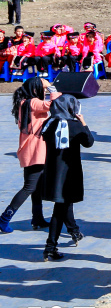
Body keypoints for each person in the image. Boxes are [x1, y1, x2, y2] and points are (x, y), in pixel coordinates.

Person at [0, 78, 59, 234]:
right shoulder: (34, 102)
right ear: (35, 89)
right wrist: (52, 87)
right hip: (36, 151)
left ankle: (37, 218)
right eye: (43, 88)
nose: (45, 91)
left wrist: (46, 86)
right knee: (29, 187)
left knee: (36, 187)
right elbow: (56, 104)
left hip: (29, 150)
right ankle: (4, 218)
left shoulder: (24, 102)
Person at [40, 95, 93, 261]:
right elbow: (89, 142)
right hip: (68, 173)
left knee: (64, 204)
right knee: (60, 208)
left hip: (52, 171)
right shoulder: (74, 126)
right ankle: (50, 247)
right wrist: (83, 123)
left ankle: (73, 231)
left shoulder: (48, 123)